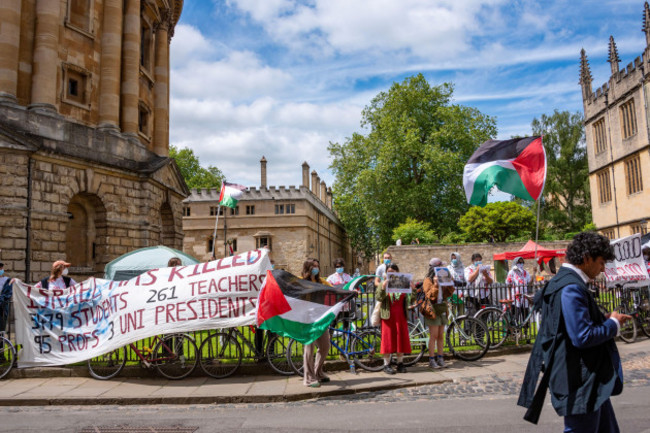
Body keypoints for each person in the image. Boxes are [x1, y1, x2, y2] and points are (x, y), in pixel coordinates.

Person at [518, 231, 632, 432]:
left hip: (588, 378)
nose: (603, 269)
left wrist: (601, 320)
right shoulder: (571, 287)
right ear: (587, 258)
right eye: (601, 262)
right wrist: (613, 324)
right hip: (580, 379)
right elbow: (582, 336)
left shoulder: (565, 281)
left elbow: (568, 324)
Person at [375, 263, 411, 374]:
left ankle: (400, 363)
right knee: (388, 340)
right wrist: (383, 287)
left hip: (400, 316)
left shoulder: (402, 282)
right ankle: (387, 364)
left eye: (393, 272)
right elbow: (378, 297)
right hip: (388, 316)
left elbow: (410, 298)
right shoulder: (383, 283)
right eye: (389, 271)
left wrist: (413, 289)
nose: (391, 273)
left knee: (400, 339)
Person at [301, 258, 332, 388]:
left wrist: (350, 292)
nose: (316, 268)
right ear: (308, 267)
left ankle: (318, 372)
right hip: (306, 318)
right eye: (314, 266)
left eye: (317, 266)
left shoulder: (321, 281)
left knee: (325, 346)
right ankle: (308, 378)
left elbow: (335, 289)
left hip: (319, 318)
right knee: (309, 348)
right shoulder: (301, 281)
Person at [422, 258, 454, 369]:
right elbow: (429, 295)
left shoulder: (443, 277)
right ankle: (431, 359)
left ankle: (440, 357)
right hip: (432, 309)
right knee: (434, 335)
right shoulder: (428, 280)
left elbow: (450, 293)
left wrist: (448, 284)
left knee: (441, 335)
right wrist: (436, 284)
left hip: (442, 307)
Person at [506, 256, 532, 339]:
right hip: (515, 298)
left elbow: (529, 283)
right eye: (519, 262)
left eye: (522, 262)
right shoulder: (512, 272)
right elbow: (508, 285)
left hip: (524, 298)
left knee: (525, 316)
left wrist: (534, 274)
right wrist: (509, 298)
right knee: (515, 316)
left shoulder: (525, 273)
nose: (520, 264)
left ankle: (525, 333)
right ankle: (514, 333)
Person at [0, 263, 12, 333]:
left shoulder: (7, 280)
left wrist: (2, 299)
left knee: (1, 326)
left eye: (1, 268)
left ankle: (1, 342)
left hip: (2, 306)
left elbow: (8, 293)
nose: (1, 269)